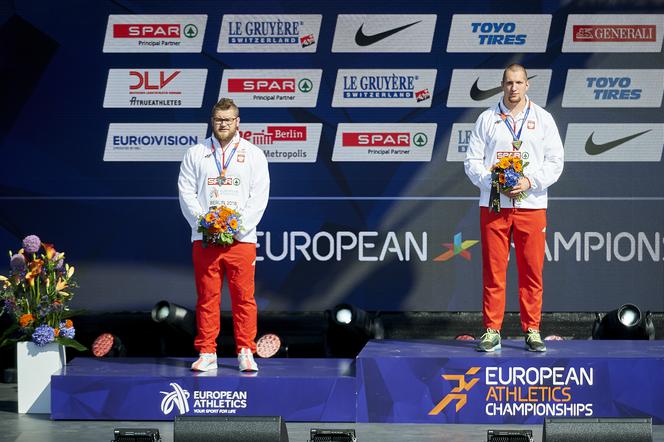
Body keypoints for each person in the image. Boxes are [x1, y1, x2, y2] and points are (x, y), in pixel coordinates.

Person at [464, 64, 564, 352]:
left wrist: (530, 181)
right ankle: (492, 330)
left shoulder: (543, 119)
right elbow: (471, 162)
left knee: (531, 270)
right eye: (509, 82)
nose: (514, 88)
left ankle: (532, 329)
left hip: (531, 205)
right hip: (495, 204)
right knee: (494, 271)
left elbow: (556, 162)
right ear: (502, 85)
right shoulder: (487, 119)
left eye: (519, 82)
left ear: (527, 85)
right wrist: (493, 181)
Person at [178, 98, 270, 371]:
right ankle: (207, 351)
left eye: (229, 119)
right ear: (212, 121)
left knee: (244, 298)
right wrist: (207, 222)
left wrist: (235, 227)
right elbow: (186, 193)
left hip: (241, 239)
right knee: (207, 297)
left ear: (238, 122)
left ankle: (245, 350)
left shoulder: (254, 154)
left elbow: (259, 196)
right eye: (219, 119)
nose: (223, 124)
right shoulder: (196, 153)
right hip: (206, 237)